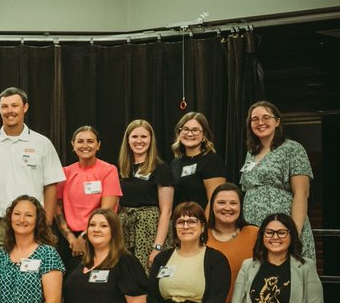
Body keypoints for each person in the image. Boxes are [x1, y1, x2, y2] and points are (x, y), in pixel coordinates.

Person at [0, 87, 65, 256]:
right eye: (4, 106)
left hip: (32, 225)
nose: (9, 111)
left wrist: (46, 222)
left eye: (14, 105)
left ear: (25, 107)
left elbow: (51, 186)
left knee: (30, 276)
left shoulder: (42, 144)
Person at [240, 101, 316, 259]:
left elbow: (301, 193)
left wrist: (293, 233)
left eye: (266, 117)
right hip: (254, 228)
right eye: (255, 119)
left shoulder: (293, 149)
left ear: (277, 121)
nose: (260, 122)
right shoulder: (251, 153)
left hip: (282, 229)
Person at [57, 125, 122, 268]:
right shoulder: (65, 172)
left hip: (100, 236)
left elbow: (107, 210)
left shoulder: (109, 170)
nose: (85, 145)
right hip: (70, 242)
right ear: (73, 145)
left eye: (90, 141)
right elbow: (58, 209)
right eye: (80, 141)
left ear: (98, 145)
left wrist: (84, 237)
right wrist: (72, 239)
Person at [117, 119, 174, 273]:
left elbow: (166, 211)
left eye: (144, 137)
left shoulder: (161, 168)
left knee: (146, 275)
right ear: (128, 140)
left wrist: (157, 247)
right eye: (135, 137)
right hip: (125, 229)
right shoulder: (122, 169)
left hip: (150, 230)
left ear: (151, 140)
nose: (139, 141)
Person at [170, 112, 227, 213]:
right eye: (185, 129)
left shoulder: (212, 161)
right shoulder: (175, 163)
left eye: (195, 130)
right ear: (179, 133)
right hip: (179, 223)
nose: (189, 134)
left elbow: (215, 201)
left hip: (200, 224)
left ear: (204, 134)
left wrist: (204, 226)